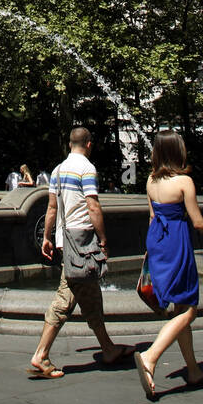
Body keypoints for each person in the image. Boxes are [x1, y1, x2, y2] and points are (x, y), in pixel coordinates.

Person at [134, 131, 203, 400]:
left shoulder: (150, 181)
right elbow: (197, 222)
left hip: (157, 243)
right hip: (177, 244)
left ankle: (193, 370)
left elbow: (152, 218)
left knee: (179, 307)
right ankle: (151, 356)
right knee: (190, 309)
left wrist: (148, 252)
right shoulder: (185, 182)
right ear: (178, 152)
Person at [28, 126, 132, 378]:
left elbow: (51, 207)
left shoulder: (58, 170)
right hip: (82, 240)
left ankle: (107, 348)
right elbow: (92, 205)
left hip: (66, 238)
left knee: (90, 296)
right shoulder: (87, 168)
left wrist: (47, 237)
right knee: (66, 298)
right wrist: (104, 238)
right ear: (88, 144)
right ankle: (41, 355)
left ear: (69, 144)